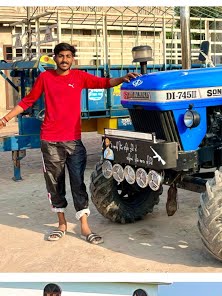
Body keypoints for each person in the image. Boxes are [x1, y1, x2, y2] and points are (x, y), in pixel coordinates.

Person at [0, 42, 139, 244]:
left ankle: (84, 227)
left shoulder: (79, 77)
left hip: (73, 141)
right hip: (50, 140)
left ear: (72, 59)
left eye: (68, 56)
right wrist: (4, 119)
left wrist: (122, 78)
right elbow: (27, 101)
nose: (64, 60)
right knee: (54, 184)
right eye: (61, 56)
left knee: (77, 182)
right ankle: (62, 224)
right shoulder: (45, 78)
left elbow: (104, 82)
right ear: (55, 58)